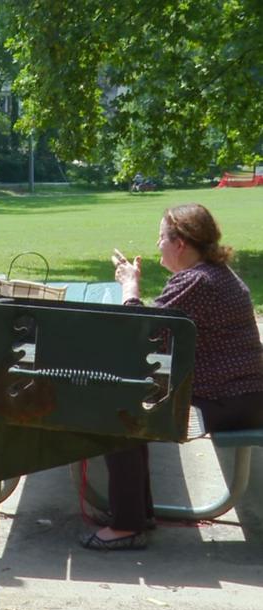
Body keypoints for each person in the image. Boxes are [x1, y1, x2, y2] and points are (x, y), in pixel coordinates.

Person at [84, 204, 263, 551]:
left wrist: (130, 287)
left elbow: (140, 333)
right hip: (239, 396)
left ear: (180, 243)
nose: (157, 244)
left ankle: (128, 525)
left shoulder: (199, 281)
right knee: (129, 403)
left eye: (162, 237)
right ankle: (136, 515)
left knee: (120, 413)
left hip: (230, 401)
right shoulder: (209, 274)